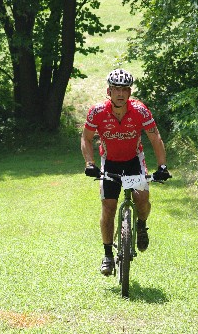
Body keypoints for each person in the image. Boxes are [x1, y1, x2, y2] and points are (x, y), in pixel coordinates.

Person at [81, 68, 171, 276]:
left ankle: (141, 224)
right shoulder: (97, 111)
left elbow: (154, 137)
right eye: (115, 89)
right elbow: (86, 138)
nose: (120, 94)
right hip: (110, 161)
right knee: (109, 206)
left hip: (133, 161)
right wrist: (89, 163)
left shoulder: (140, 111)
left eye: (124, 90)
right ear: (108, 91)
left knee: (142, 199)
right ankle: (107, 256)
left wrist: (163, 167)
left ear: (129, 92)